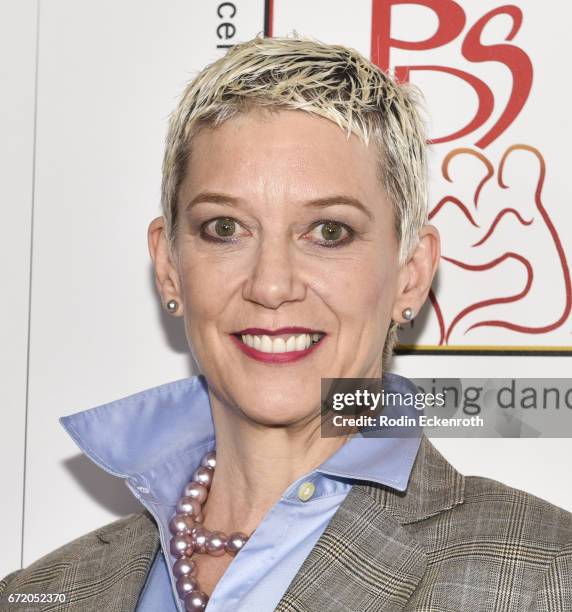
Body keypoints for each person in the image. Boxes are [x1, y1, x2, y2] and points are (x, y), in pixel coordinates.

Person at [1, 34, 571, 612]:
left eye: (329, 232)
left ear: (411, 275)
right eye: (225, 228)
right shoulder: (39, 593)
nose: (271, 285)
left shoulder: (546, 576)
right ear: (170, 267)